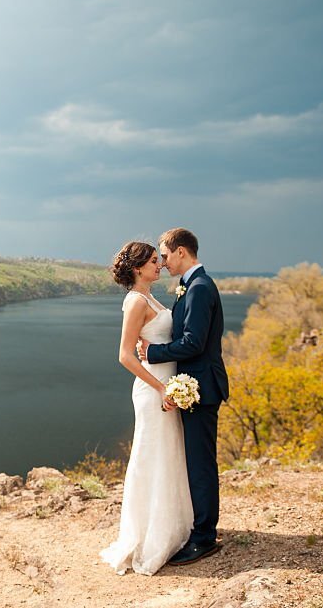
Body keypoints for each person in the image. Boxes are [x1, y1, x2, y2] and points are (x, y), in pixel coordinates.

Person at [100, 241, 193, 576]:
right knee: (151, 455)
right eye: (154, 261)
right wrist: (161, 388)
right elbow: (125, 355)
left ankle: (171, 528)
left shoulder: (150, 297)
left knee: (169, 454)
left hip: (166, 386)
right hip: (153, 390)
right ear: (138, 268)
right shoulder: (136, 301)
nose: (160, 265)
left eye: (160, 259)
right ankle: (148, 537)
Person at [139, 228, 227, 566]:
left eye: (164, 255)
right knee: (194, 462)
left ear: (181, 252)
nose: (162, 262)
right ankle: (199, 525)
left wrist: (152, 352)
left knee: (200, 464)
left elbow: (194, 343)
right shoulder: (192, 285)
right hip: (193, 387)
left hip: (202, 389)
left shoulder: (200, 287)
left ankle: (204, 537)